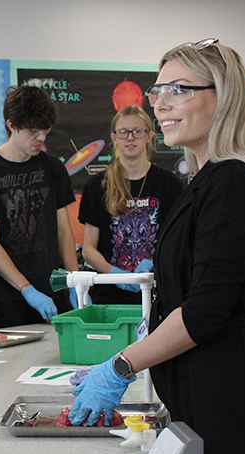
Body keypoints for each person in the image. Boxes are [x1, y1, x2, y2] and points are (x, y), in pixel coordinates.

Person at [69, 39, 245, 454]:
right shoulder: (206, 179)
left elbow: (204, 312)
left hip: (234, 415)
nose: (161, 104)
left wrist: (121, 366)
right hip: (207, 410)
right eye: (158, 91)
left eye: (179, 90)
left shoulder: (234, 179)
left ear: (224, 96)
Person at [0, 85, 79, 328]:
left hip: (53, 289)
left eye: (45, 129)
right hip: (6, 297)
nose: (41, 137)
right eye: (33, 130)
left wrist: (74, 281)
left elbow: (63, 231)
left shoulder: (53, 168)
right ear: (11, 125)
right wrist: (26, 288)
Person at [78, 104, 184, 304]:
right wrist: (115, 274)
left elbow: (176, 242)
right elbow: (89, 250)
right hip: (109, 296)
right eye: (123, 132)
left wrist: (153, 263)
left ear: (149, 136)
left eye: (137, 131)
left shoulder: (169, 184)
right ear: (114, 138)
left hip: (156, 292)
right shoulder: (97, 185)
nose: (130, 138)